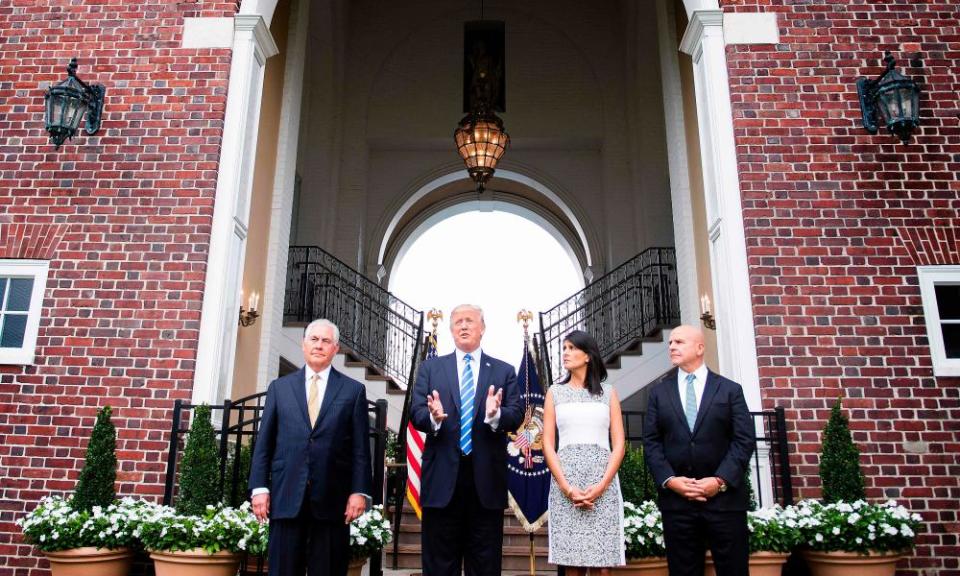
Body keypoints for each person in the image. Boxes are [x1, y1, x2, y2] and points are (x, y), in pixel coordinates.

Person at [248, 319, 372, 576]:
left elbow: (360, 449)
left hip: (332, 499)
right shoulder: (279, 388)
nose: (319, 345)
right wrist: (259, 488)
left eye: (326, 341)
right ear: (303, 345)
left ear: (335, 348)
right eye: (314, 339)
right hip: (285, 495)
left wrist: (359, 491)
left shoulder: (353, 391)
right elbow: (264, 443)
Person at [409, 304, 523, 576]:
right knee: (439, 565)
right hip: (441, 482)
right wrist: (434, 418)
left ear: (482, 328)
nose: (463, 326)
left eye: (470, 321)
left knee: (484, 565)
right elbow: (416, 413)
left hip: (485, 483)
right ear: (450, 330)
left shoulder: (503, 371)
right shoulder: (430, 368)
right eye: (457, 321)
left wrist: (495, 415)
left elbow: (516, 414)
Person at [642, 325, 756, 576]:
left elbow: (743, 439)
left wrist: (720, 480)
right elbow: (651, 442)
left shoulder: (730, 390)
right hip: (678, 504)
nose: (671, 346)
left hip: (725, 503)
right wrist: (670, 481)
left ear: (700, 348)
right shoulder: (659, 393)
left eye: (679, 342)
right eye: (670, 342)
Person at [543, 330, 626, 576]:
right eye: (564, 348)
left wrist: (601, 486)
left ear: (588, 355)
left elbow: (619, 444)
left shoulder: (608, 392)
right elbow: (548, 444)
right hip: (566, 482)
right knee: (573, 564)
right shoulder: (554, 393)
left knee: (602, 566)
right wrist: (567, 488)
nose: (565, 353)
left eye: (571, 348)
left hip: (603, 482)